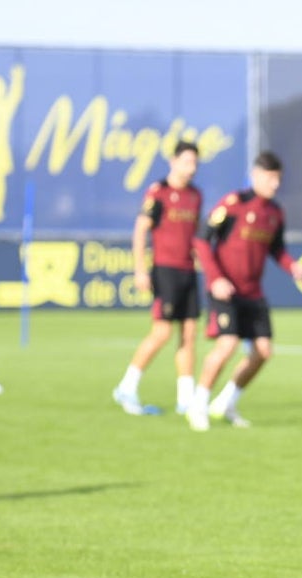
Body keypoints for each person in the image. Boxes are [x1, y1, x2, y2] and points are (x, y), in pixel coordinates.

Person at [187, 151, 302, 431]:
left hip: (253, 293)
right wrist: (216, 279)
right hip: (225, 291)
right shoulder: (233, 204)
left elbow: (276, 249)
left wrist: (292, 266)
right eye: (269, 178)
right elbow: (202, 241)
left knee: (264, 351)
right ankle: (198, 404)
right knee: (227, 344)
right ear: (255, 176)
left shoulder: (275, 212)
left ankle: (225, 402)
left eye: (278, 179)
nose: (274, 184)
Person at [112, 140, 202, 416]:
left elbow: (193, 234)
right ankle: (127, 386)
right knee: (162, 332)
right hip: (165, 269)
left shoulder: (195, 195)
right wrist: (140, 269)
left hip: (188, 271)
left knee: (188, 334)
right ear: (173, 161)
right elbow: (140, 231)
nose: (191, 168)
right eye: (186, 162)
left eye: (195, 163)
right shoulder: (159, 192)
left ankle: (185, 399)